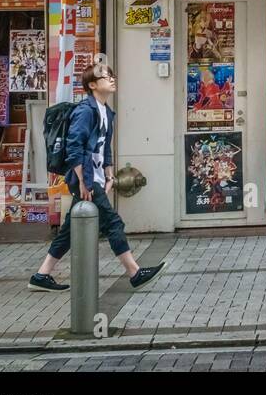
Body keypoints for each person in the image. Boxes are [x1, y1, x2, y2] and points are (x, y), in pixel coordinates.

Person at [29, 64, 166, 291]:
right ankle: (134, 272)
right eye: (105, 76)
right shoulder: (85, 111)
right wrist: (84, 181)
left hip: (97, 176)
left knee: (70, 230)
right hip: (85, 178)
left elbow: (104, 146)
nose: (112, 79)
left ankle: (41, 276)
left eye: (112, 75)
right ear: (92, 85)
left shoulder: (105, 111)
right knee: (112, 222)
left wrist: (110, 172)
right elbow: (74, 147)